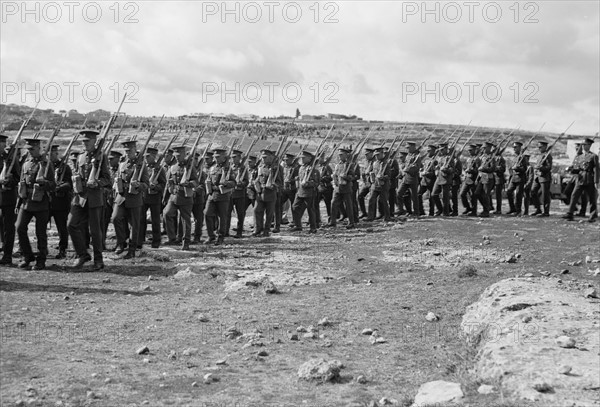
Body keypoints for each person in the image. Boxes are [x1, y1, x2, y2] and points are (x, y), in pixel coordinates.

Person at [68, 130, 112, 270]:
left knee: (95, 231)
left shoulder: (101, 157)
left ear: (94, 142)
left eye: (87, 141)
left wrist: (97, 183)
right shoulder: (80, 157)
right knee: (71, 224)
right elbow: (77, 174)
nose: (85, 143)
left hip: (94, 198)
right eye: (83, 141)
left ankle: (98, 261)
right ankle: (82, 254)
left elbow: (107, 180)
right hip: (80, 197)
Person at [15, 137, 56, 270]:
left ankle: (41, 260)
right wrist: (18, 203)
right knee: (19, 227)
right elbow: (22, 184)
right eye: (28, 149)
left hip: (41, 203)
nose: (30, 152)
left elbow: (53, 185)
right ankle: (28, 256)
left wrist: (44, 183)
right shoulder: (26, 164)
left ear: (39, 148)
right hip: (26, 202)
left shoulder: (46, 164)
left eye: (32, 149)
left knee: (40, 233)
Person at [112, 137, 149, 259]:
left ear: (135, 150)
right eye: (126, 151)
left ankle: (132, 250)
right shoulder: (122, 164)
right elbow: (117, 179)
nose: (128, 153)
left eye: (130, 150)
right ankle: (121, 243)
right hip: (121, 197)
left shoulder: (141, 165)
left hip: (134, 198)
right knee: (116, 218)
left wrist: (139, 185)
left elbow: (146, 184)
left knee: (134, 225)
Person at [164, 145, 198, 250]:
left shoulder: (190, 167)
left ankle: (186, 241)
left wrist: (188, 183)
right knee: (167, 213)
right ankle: (172, 238)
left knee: (185, 220)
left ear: (184, 155)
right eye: (176, 155)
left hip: (186, 197)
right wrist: (168, 192)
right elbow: (168, 181)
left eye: (179, 155)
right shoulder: (173, 167)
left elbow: (196, 181)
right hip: (174, 196)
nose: (177, 157)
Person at [204, 146, 236, 245]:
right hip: (212, 194)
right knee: (207, 213)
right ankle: (211, 236)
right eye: (215, 156)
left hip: (222, 196)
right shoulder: (212, 168)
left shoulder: (228, 169)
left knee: (222, 217)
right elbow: (209, 179)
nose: (216, 158)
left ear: (223, 157)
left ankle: (221, 236)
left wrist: (226, 183)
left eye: (218, 157)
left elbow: (234, 183)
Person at [563, 137, 599, 222]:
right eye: (582, 145)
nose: (583, 147)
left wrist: (596, 181)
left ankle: (593, 215)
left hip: (589, 179)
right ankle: (570, 214)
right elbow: (578, 168)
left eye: (585, 145)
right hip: (580, 179)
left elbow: (596, 169)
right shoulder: (580, 156)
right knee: (574, 195)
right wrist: (571, 170)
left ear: (589, 145)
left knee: (592, 198)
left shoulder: (594, 156)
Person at [139, 143, 166, 249]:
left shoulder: (159, 169)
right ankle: (140, 239)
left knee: (155, 220)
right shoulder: (143, 167)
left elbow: (163, 184)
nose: (146, 158)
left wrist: (155, 186)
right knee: (141, 219)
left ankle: (156, 241)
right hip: (144, 196)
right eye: (145, 157)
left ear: (154, 156)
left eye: (148, 156)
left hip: (155, 198)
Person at [0, 134, 21, 266]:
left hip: (8, 198)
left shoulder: (12, 159)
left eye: (2, 143)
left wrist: (9, 180)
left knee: (9, 228)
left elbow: (18, 178)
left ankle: (7, 256)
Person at [49, 144, 73, 259]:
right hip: (47, 202)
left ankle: (62, 249)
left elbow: (69, 184)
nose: (50, 156)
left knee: (61, 228)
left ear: (56, 153)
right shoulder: (46, 167)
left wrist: (58, 187)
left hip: (60, 202)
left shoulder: (65, 167)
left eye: (52, 153)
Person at [326, 147, 359, 228]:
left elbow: (352, 177)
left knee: (348, 205)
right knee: (333, 204)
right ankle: (333, 221)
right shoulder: (338, 165)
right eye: (339, 155)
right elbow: (335, 174)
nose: (339, 156)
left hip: (346, 188)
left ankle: (351, 222)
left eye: (341, 155)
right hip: (337, 188)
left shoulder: (349, 165)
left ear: (346, 155)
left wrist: (346, 177)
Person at [253, 148, 282, 237]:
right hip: (260, 193)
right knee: (257, 210)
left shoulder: (277, 168)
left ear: (270, 157)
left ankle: (266, 230)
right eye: (262, 157)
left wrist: (273, 184)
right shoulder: (260, 167)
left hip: (270, 193)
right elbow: (257, 178)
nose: (263, 159)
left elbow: (280, 182)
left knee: (269, 214)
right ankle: (258, 229)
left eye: (265, 157)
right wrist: (256, 184)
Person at [291, 150, 320, 233]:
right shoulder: (301, 167)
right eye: (301, 158)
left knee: (310, 210)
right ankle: (298, 225)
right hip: (300, 191)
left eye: (304, 158)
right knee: (294, 207)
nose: (302, 160)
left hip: (309, 192)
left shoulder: (313, 170)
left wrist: (308, 183)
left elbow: (316, 183)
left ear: (309, 158)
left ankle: (313, 227)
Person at [227, 149, 249, 238]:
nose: (233, 159)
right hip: (230, 193)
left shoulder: (243, 168)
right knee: (227, 213)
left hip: (240, 194)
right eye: (232, 157)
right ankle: (225, 231)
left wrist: (241, 184)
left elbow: (246, 181)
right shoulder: (229, 167)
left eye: (235, 157)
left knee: (240, 213)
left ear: (239, 158)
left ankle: (239, 232)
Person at [396, 142, 421, 216]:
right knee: (398, 193)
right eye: (407, 148)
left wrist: (408, 169)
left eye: (408, 147)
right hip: (405, 178)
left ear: (413, 147)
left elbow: (416, 167)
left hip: (412, 178)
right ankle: (401, 209)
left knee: (414, 196)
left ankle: (416, 212)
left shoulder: (417, 156)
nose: (407, 149)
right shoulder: (408, 156)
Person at [367, 147, 391, 221]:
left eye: (378, 154)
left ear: (382, 154)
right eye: (376, 155)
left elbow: (389, 175)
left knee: (384, 201)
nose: (376, 156)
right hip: (375, 184)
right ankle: (371, 216)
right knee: (371, 200)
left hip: (383, 185)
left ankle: (387, 216)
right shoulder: (375, 163)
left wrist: (382, 177)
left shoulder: (386, 164)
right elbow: (373, 172)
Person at [473, 141, 496, 217]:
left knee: (486, 194)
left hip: (488, 177)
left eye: (485, 148)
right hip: (482, 176)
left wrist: (484, 168)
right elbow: (479, 169)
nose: (483, 149)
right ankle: (487, 207)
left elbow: (493, 168)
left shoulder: (492, 157)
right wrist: (477, 179)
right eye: (483, 148)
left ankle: (486, 211)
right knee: (477, 193)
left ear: (489, 148)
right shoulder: (482, 157)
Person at [431, 143, 454, 216]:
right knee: (433, 194)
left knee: (445, 197)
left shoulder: (449, 158)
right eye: (440, 150)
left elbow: (452, 169)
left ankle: (446, 212)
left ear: (446, 149)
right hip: (439, 178)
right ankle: (440, 209)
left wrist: (445, 169)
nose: (440, 151)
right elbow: (437, 167)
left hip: (446, 179)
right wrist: (436, 169)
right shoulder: (440, 158)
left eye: (442, 150)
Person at [531, 141, 552, 217]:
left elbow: (549, 167)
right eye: (538, 147)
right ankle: (538, 209)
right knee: (533, 191)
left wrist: (541, 168)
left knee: (545, 195)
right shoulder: (540, 155)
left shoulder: (547, 156)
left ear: (545, 147)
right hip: (537, 177)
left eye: (540, 147)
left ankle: (546, 212)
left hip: (544, 177)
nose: (539, 148)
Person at [506, 141, 527, 216]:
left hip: (520, 178)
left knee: (518, 195)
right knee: (508, 192)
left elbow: (524, 168)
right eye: (513, 147)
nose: (514, 149)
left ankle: (518, 211)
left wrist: (518, 168)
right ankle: (512, 208)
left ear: (519, 148)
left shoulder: (523, 157)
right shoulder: (515, 157)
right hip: (513, 178)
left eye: (515, 147)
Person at [459, 144, 480, 215]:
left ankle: (474, 211)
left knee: (473, 196)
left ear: (475, 150)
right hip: (467, 179)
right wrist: (465, 169)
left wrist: (471, 170)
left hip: (473, 179)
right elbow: (465, 167)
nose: (469, 152)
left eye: (471, 150)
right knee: (462, 194)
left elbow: (477, 170)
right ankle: (468, 208)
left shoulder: (477, 159)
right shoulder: (469, 159)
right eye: (468, 151)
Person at [418, 145, 437, 216]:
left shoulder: (435, 161)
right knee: (418, 194)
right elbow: (423, 167)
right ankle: (421, 211)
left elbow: (434, 173)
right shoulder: (426, 159)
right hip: (424, 181)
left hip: (431, 181)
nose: (428, 152)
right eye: (427, 150)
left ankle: (431, 213)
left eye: (429, 151)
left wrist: (427, 173)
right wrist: (421, 170)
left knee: (431, 197)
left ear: (433, 151)